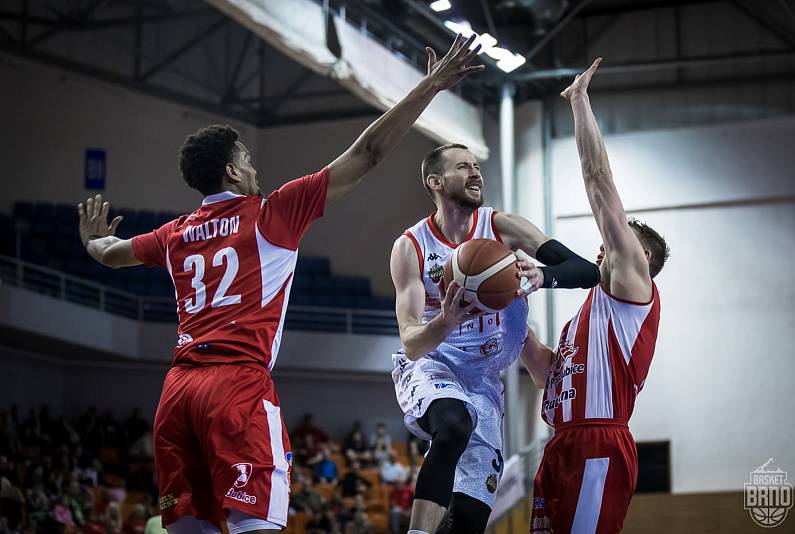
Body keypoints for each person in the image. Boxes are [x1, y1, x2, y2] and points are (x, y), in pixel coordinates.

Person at [77, 33, 484, 534]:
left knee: (190, 529)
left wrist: (92, 242)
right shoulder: (272, 214)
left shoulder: (174, 234)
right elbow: (370, 151)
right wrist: (431, 86)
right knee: (258, 525)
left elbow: (110, 254)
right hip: (236, 387)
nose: (254, 166)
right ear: (231, 170)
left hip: (177, 393)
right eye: (246, 159)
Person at [390, 139, 601, 533]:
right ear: (435, 182)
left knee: (470, 519)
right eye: (463, 167)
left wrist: (544, 274)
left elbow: (587, 270)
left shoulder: (501, 226)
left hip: (485, 380)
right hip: (436, 364)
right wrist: (445, 322)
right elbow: (412, 343)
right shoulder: (411, 246)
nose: (475, 172)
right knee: (453, 426)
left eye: (476, 165)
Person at [523, 59, 668, 534]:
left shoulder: (633, 287)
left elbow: (598, 183)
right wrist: (506, 312)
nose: (606, 240)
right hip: (562, 443)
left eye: (623, 237)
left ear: (640, 255)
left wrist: (580, 102)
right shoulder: (587, 316)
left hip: (598, 446)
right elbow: (549, 373)